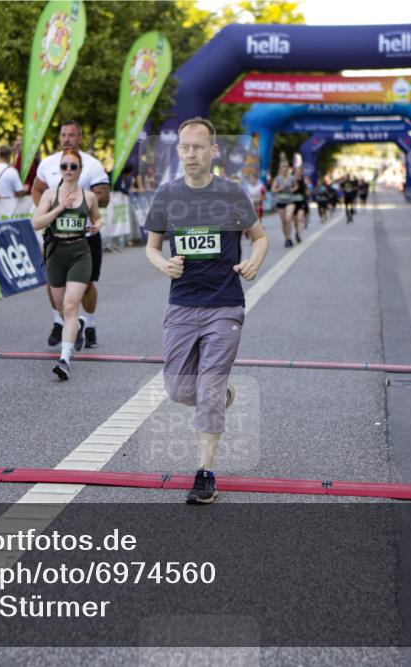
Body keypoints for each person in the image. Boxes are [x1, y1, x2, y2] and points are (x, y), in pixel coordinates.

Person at [144, 117, 269, 505]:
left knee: (208, 389)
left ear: (214, 151)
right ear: (178, 150)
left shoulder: (232, 195)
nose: (191, 153)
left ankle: (205, 473)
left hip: (224, 305)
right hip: (182, 304)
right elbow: (151, 247)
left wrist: (254, 261)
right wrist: (163, 264)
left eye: (198, 147)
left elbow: (260, 237)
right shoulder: (167, 196)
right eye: (185, 147)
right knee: (180, 389)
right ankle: (219, 396)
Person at [32, 121, 110, 349]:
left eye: (72, 135)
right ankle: (60, 322)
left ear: (80, 138)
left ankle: (91, 324)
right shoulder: (48, 163)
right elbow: (37, 189)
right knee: (53, 281)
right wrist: (46, 208)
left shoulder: (92, 165)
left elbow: (104, 197)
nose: (67, 139)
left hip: (84, 236)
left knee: (86, 285)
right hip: (55, 236)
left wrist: (81, 202)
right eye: (63, 135)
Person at [32, 148, 102, 380]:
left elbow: (97, 217)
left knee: (71, 307)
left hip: (80, 252)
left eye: (73, 166)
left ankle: (64, 359)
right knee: (63, 309)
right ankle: (78, 327)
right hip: (55, 253)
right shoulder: (50, 195)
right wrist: (60, 208)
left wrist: (97, 226)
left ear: (80, 170)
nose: (69, 170)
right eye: (65, 166)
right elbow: (36, 223)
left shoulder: (89, 196)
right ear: (59, 170)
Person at [270, 162, 294, 248]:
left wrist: (292, 189)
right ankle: (287, 238)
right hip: (280, 202)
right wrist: (279, 189)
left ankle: (289, 237)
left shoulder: (292, 178)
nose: (284, 169)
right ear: (280, 169)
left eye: (286, 168)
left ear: (288, 169)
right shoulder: (277, 179)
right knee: (283, 221)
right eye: (283, 168)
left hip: (290, 201)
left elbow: (296, 187)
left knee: (288, 219)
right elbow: (273, 189)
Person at [291, 165, 310, 242]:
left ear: (301, 172)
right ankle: (297, 231)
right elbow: (288, 189)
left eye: (300, 172)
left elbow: (307, 191)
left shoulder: (304, 180)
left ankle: (299, 235)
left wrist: (307, 191)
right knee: (295, 220)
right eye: (297, 172)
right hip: (292, 202)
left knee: (300, 218)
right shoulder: (291, 180)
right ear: (294, 172)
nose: (298, 173)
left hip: (302, 202)